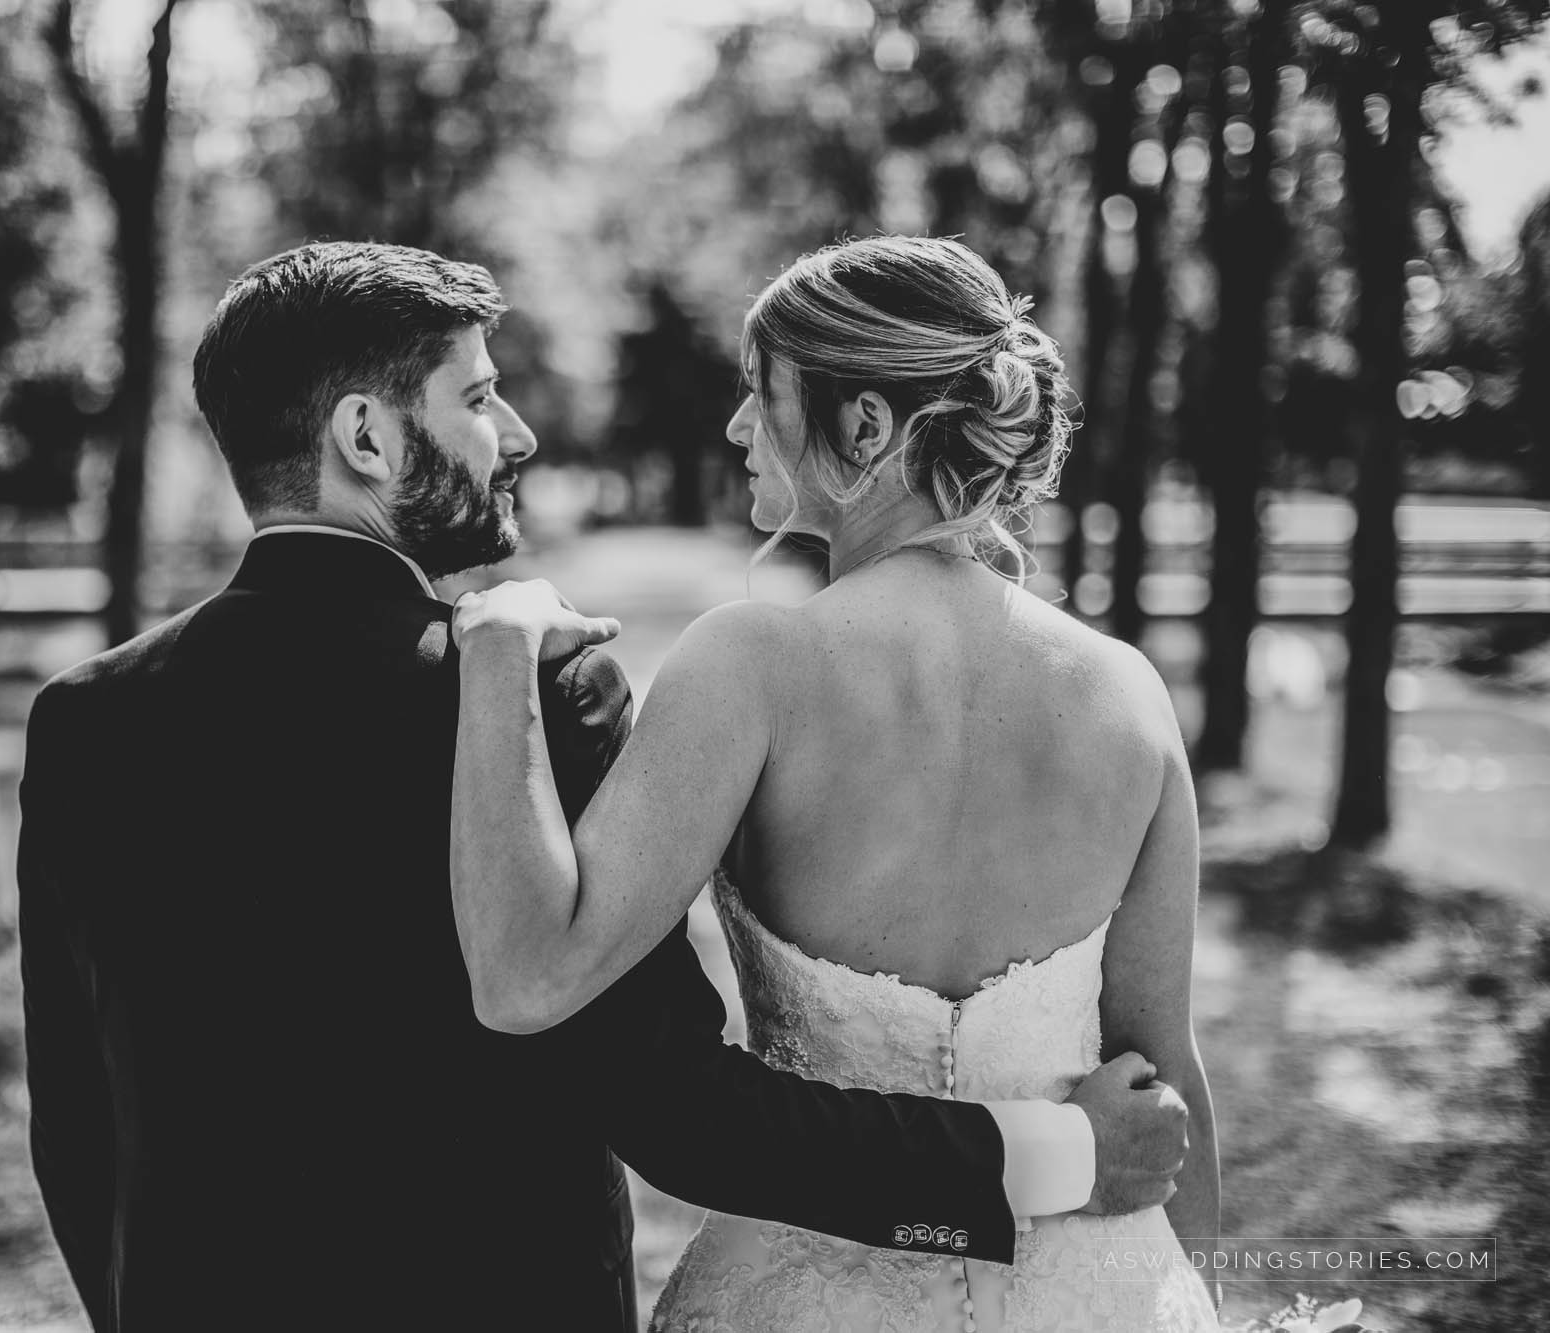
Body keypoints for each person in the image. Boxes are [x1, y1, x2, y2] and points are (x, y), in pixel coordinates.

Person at [16, 240, 1189, 1333]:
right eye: (476, 398)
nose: (516, 433)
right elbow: (677, 1110)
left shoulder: (84, 723)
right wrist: (1048, 1159)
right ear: (365, 439)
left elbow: (75, 1129)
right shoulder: (532, 698)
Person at [449, 235, 1219, 1330]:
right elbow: (1163, 1077)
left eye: (758, 394)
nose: (733, 428)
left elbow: (531, 978)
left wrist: (492, 653)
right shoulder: (1128, 694)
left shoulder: (750, 664)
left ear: (863, 425)